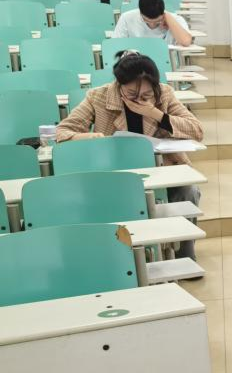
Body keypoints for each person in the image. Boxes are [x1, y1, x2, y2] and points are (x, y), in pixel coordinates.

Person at [56, 50, 204, 259]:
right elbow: (62, 132)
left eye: (146, 95)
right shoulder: (98, 96)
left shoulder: (164, 94)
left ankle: (184, 255)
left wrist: (155, 113)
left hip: (160, 169)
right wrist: (88, 137)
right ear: (119, 85)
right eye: (132, 94)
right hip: (114, 171)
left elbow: (196, 130)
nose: (139, 100)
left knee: (188, 191)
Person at [112, 0, 193, 47]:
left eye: (158, 21)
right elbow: (115, 45)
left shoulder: (175, 19)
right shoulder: (127, 18)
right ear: (140, 13)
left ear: (163, 13)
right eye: (147, 21)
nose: (152, 25)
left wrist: (168, 18)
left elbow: (186, 41)